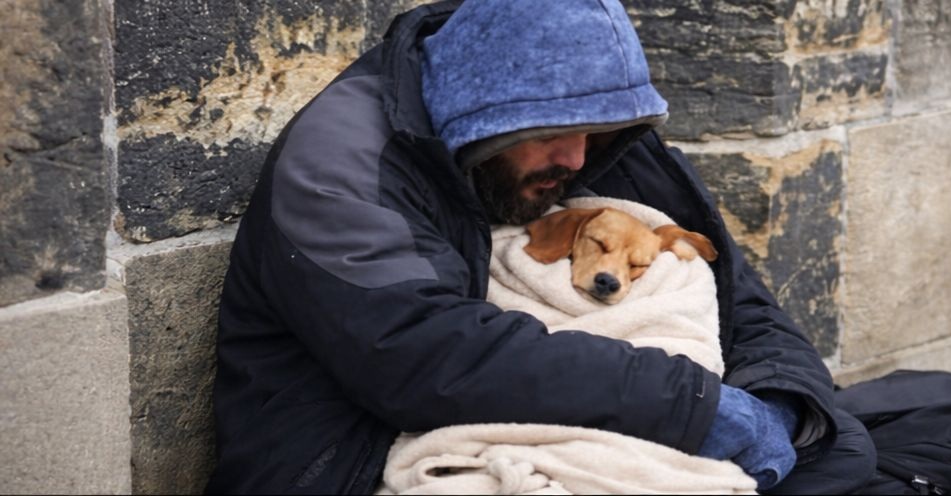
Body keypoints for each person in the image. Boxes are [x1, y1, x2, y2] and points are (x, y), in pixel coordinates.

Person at [205, 0, 877, 493]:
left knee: (878, 449)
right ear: (481, 112)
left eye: (597, 133)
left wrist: (783, 403)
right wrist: (698, 407)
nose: (577, 157)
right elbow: (424, 357)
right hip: (348, 462)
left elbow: (738, 297)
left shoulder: (590, 136)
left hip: (588, 422)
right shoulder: (342, 159)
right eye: (556, 132)